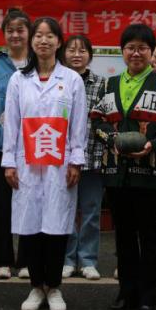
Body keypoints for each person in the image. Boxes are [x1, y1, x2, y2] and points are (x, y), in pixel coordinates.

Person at [93, 23, 156, 310]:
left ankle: (149, 297)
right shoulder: (109, 85)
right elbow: (97, 121)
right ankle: (127, 292)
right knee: (123, 235)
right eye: (131, 47)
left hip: (152, 173)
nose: (136, 53)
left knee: (149, 235)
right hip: (118, 170)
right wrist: (113, 141)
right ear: (122, 51)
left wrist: (154, 144)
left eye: (143, 48)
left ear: (151, 52)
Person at [2, 17, 87, 310]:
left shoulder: (72, 80)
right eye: (38, 35)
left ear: (59, 41)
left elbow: (79, 124)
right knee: (31, 226)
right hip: (27, 163)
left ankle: (55, 287)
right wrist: (9, 162)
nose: (44, 41)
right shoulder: (18, 80)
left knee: (56, 226)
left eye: (50, 36)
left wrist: (77, 159)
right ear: (32, 41)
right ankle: (36, 286)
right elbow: (11, 123)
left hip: (59, 163)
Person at [0, 8, 31, 279]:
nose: (15, 35)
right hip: (0, 147)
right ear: (4, 34)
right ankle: (1, 260)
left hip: (33, 147)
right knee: (1, 206)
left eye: (20, 30)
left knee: (28, 205)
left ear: (29, 33)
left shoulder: (38, 63)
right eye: (10, 30)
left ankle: (26, 260)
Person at [61, 34, 105, 280]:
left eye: (82, 50)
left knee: (90, 210)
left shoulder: (101, 84)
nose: (76, 55)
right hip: (61, 158)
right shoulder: (58, 81)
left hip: (93, 156)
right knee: (66, 210)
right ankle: (67, 259)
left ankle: (87, 259)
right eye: (71, 50)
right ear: (63, 53)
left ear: (90, 55)